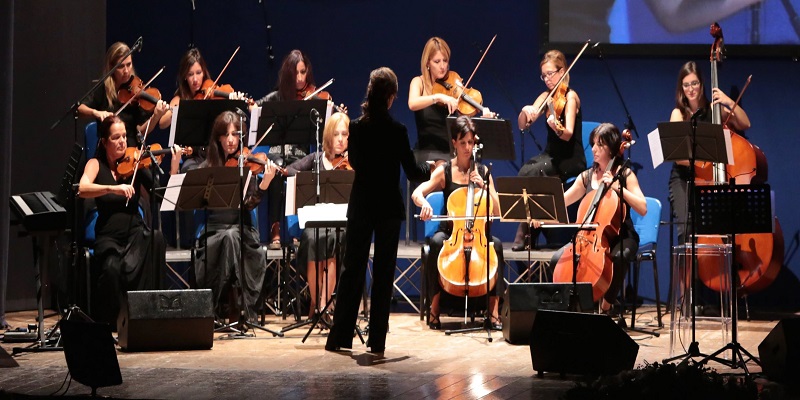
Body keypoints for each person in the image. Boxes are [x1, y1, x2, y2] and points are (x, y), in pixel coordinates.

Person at [325, 67, 430, 354]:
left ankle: (340, 338)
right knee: (383, 274)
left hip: (361, 205)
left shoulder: (357, 128)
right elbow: (412, 172)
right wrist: (431, 168)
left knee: (352, 270)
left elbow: (356, 162)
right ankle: (377, 343)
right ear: (392, 97)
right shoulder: (398, 131)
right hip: (387, 208)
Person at [77, 116, 175, 328]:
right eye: (115, 137)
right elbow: (83, 188)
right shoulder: (95, 164)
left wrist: (171, 167)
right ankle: (116, 322)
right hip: (109, 237)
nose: (122, 141)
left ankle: (152, 314)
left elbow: (161, 195)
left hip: (134, 233)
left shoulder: (136, 164)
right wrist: (113, 188)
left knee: (156, 238)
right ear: (104, 142)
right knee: (111, 267)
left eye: (124, 136)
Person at [411, 115, 504, 329]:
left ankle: (493, 311)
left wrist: (484, 188)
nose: (467, 148)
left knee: (496, 245)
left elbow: (498, 209)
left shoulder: (482, 172)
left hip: (477, 233)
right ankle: (435, 309)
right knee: (435, 243)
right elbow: (418, 192)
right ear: (454, 143)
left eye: (470, 143)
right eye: (462, 143)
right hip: (451, 233)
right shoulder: (445, 171)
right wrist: (424, 203)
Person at [548, 123, 646, 313]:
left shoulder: (625, 174)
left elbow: (642, 208)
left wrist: (618, 188)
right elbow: (563, 201)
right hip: (588, 238)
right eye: (593, 144)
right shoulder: (586, 177)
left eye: (600, 145)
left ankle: (607, 305)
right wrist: (541, 213)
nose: (594, 149)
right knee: (556, 259)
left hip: (621, 235)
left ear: (612, 148)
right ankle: (574, 306)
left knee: (619, 257)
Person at [193, 110, 279, 323]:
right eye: (226, 135)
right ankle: (236, 305)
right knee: (229, 237)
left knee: (232, 236)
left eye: (235, 134)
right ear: (218, 138)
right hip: (214, 231)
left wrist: (264, 183)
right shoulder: (206, 168)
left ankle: (230, 306)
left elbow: (248, 206)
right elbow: (197, 202)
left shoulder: (247, 166)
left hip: (243, 230)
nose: (231, 140)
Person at [254, 49, 341, 250]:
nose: (301, 79)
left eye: (303, 73)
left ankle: (297, 230)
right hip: (277, 153)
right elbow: (256, 107)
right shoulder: (277, 97)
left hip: (300, 156)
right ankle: (275, 228)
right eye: (296, 74)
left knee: (303, 173)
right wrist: (252, 106)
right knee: (274, 169)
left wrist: (332, 109)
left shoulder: (312, 97)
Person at [668, 61, 750, 245]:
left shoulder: (713, 110)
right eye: (686, 84)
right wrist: (703, 161)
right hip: (683, 178)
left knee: (717, 228)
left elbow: (745, 124)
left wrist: (728, 101)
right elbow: (679, 157)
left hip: (710, 178)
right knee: (687, 229)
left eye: (694, 83)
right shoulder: (678, 114)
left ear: (702, 84)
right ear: (681, 88)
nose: (691, 89)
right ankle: (688, 273)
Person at [512, 49, 587, 251]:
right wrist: (525, 111)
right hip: (551, 155)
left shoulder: (570, 97)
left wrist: (556, 127)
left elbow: (568, 133)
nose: (547, 79)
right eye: (543, 75)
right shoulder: (546, 96)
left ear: (562, 71)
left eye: (550, 74)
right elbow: (523, 124)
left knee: (537, 172)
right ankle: (530, 226)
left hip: (570, 157)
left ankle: (527, 230)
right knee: (526, 171)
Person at [283, 111, 351, 319]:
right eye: (336, 134)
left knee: (332, 240)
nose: (340, 139)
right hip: (314, 222)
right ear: (328, 136)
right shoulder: (316, 160)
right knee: (312, 240)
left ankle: (323, 303)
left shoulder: (351, 163)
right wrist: (311, 178)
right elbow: (289, 170)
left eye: (345, 134)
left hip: (340, 224)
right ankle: (317, 301)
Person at [408, 37, 494, 166]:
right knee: (441, 167)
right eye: (437, 61)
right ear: (427, 63)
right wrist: (438, 97)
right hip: (426, 151)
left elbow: (463, 121)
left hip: (450, 152)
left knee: (472, 167)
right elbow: (413, 104)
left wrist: (484, 116)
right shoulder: (418, 82)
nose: (442, 66)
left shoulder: (453, 83)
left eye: (445, 61)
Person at [78, 42, 169, 149]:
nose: (126, 71)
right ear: (111, 67)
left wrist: (155, 117)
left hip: (131, 150)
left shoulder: (136, 91)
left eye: (129, 64)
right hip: (108, 151)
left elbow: (141, 131)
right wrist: (96, 113)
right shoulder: (103, 88)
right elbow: (79, 109)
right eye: (121, 66)